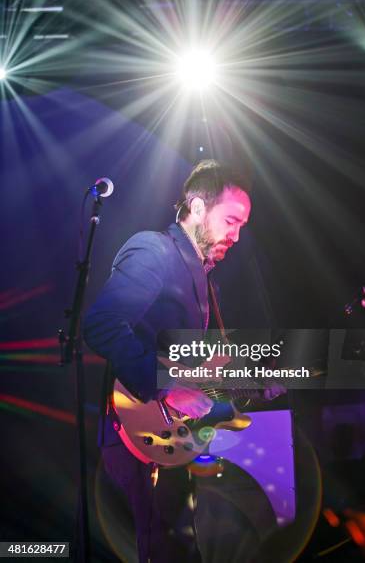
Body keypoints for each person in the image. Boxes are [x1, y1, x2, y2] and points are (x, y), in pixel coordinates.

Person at [83, 159, 263, 562]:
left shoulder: (201, 274)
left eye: (242, 226)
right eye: (231, 220)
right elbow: (101, 324)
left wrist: (240, 379)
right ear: (197, 208)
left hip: (170, 437)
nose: (236, 235)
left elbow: (187, 364)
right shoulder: (156, 250)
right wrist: (166, 386)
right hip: (138, 431)